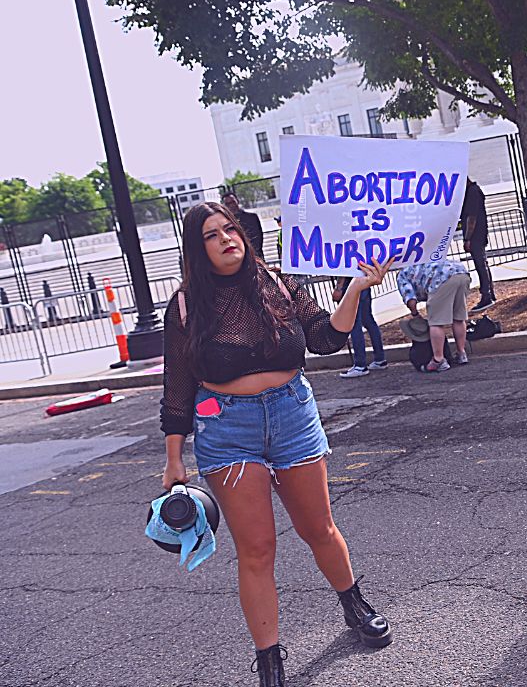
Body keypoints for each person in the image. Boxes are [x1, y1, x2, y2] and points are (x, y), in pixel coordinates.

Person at [159, 201, 395, 687]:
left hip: (292, 415)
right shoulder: (186, 305)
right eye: (212, 234)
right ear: (196, 249)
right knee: (257, 548)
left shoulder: (279, 284)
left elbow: (325, 339)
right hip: (226, 428)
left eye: (231, 228)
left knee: (319, 528)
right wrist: (174, 460)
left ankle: (353, 602)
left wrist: (354, 289)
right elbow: (178, 387)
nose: (227, 238)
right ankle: (269, 659)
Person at [394, 259, 471, 372]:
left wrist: (415, 315)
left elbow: (410, 300)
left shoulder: (402, 275)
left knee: (436, 323)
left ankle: (438, 360)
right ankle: (461, 353)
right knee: (458, 318)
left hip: (440, 278)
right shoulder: (423, 259)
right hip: (461, 272)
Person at [332, 275, 387, 378]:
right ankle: (380, 359)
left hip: (350, 284)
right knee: (368, 320)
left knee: (354, 324)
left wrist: (338, 288)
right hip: (363, 281)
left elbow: (344, 270)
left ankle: (360, 365)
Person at [460, 178, 496, 312]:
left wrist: (467, 238)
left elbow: (472, 217)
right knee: (482, 264)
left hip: (476, 235)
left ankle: (486, 294)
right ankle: (489, 292)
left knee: (480, 264)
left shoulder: (472, 193)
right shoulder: (474, 191)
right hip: (479, 233)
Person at [223, 192, 264, 261]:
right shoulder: (225, 223)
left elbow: (258, 238)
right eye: (228, 204)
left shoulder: (252, 217)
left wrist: (251, 254)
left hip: (255, 257)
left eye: (233, 202)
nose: (231, 205)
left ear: (237, 201)